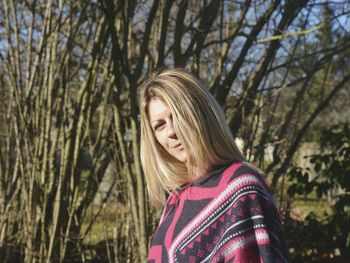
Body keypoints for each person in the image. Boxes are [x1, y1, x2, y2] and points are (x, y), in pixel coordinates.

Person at [138, 68, 289, 263]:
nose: (171, 131)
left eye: (178, 115)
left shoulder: (240, 187)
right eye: (159, 125)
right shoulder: (177, 199)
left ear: (203, 114)